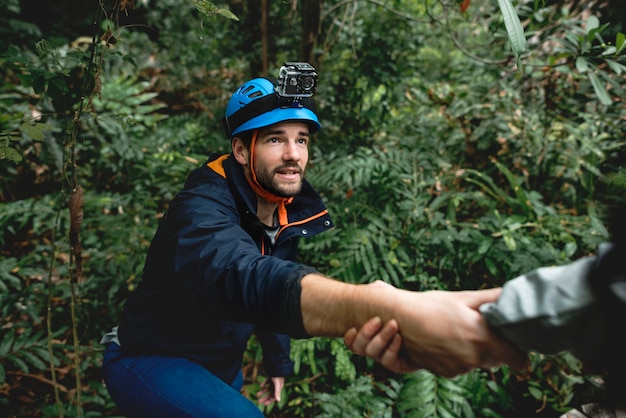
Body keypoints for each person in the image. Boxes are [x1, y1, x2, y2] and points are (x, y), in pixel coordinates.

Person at [101, 67, 526, 417]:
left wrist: (277, 363)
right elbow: (241, 275)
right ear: (241, 150)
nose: (293, 154)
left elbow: (266, 287)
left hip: (219, 363)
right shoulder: (200, 207)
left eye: (301, 139)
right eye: (274, 139)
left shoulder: (284, 204)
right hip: (150, 357)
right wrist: (379, 304)